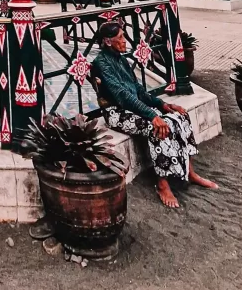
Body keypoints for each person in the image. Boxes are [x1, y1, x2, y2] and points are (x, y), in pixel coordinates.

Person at [90, 20, 218, 208]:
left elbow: (138, 90)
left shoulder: (121, 59)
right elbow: (123, 96)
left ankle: (189, 172)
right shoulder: (101, 64)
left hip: (133, 107)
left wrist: (163, 105)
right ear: (108, 42)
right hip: (116, 113)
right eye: (120, 37)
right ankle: (162, 183)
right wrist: (152, 116)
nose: (125, 40)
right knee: (156, 127)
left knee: (179, 117)